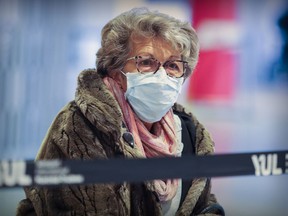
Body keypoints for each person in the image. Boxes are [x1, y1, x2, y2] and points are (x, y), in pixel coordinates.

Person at [17, 7, 224, 216]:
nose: (162, 75)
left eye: (172, 65)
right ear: (116, 72)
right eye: (146, 62)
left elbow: (204, 203)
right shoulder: (77, 127)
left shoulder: (191, 133)